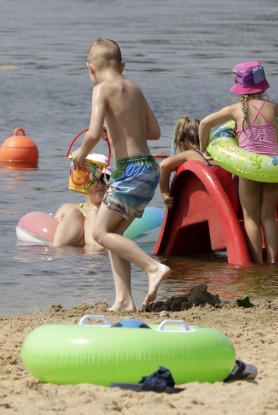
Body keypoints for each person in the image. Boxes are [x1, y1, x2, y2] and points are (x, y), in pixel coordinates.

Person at [70, 38, 170, 312]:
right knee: (116, 234)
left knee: (101, 233)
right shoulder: (134, 89)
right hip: (149, 168)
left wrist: (81, 153)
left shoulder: (101, 89)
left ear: (91, 69)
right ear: (122, 66)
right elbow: (154, 132)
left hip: (129, 171)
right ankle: (124, 299)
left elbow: (91, 134)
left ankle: (153, 268)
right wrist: (115, 130)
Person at [198, 61, 278, 264]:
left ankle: (258, 262)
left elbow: (205, 123)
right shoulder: (273, 107)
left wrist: (204, 149)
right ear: (263, 86)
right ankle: (274, 262)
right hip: (275, 167)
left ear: (240, 88)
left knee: (251, 217)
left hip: (250, 168)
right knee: (268, 216)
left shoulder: (235, 110)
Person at [53, 153, 111, 249]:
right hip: (70, 258)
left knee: (93, 214)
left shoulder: (114, 212)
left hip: (98, 257)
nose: (100, 184)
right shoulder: (68, 209)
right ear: (83, 181)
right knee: (73, 213)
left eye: (105, 179)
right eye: (94, 178)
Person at [159, 117, 213, 209]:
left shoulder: (190, 154)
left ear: (182, 143)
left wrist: (165, 193)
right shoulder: (212, 155)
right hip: (219, 201)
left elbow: (163, 166)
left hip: (202, 205)